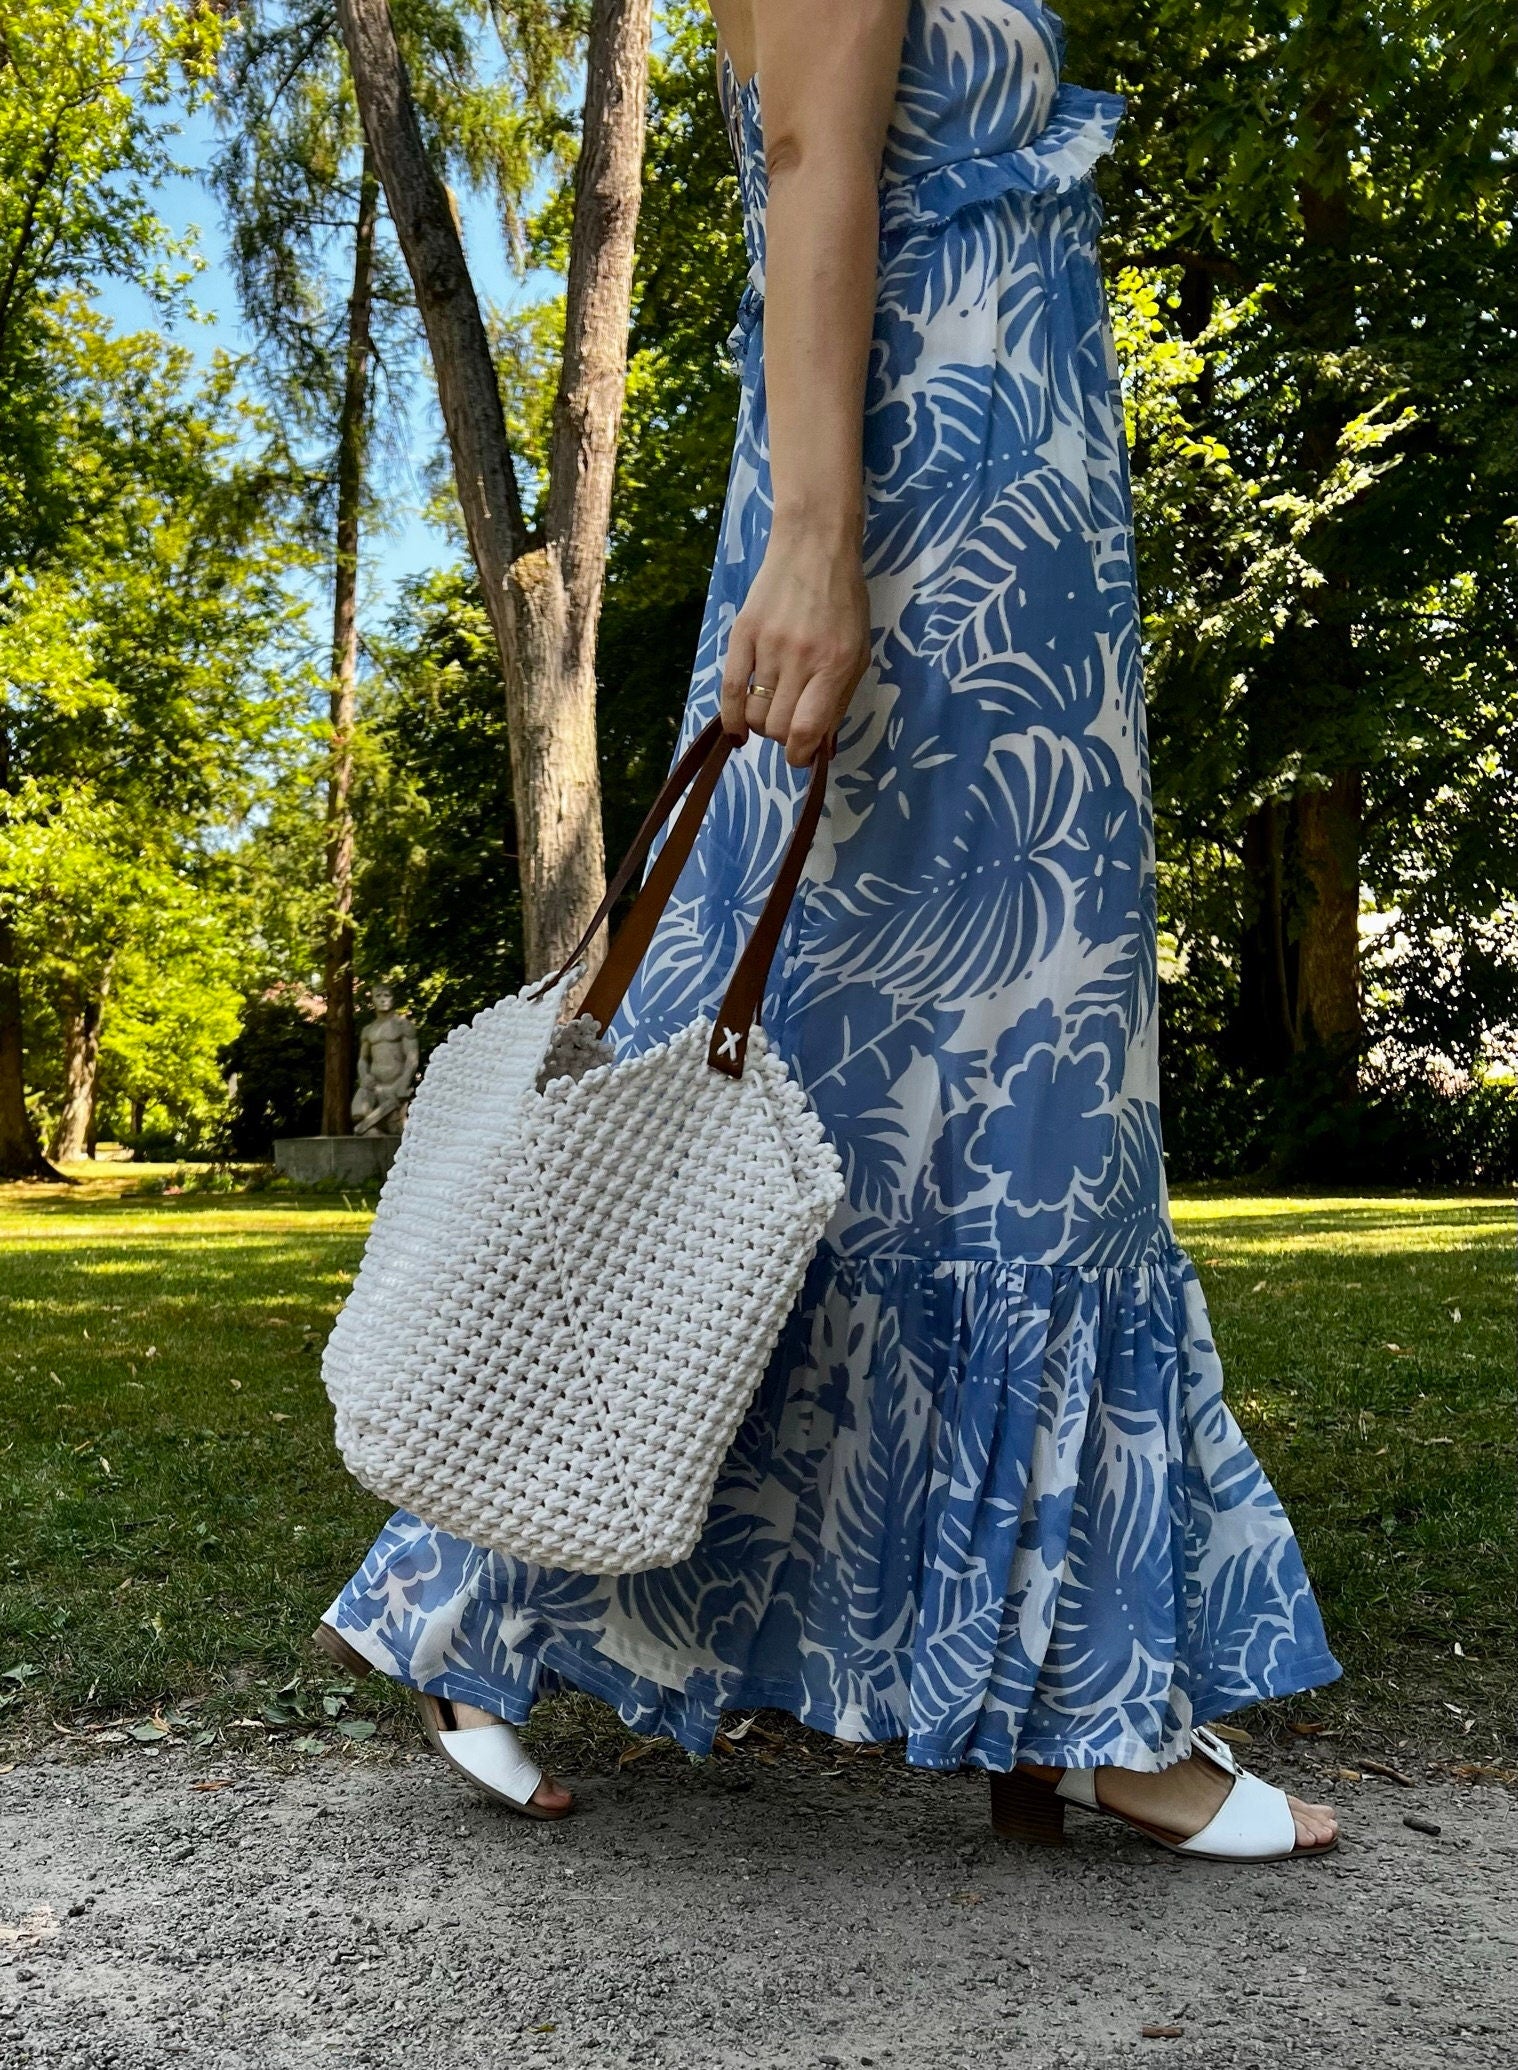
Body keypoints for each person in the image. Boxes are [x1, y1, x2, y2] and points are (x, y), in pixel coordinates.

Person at [316, 0, 1341, 1858]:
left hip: (1013, 547)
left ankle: (1041, 1691)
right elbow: (811, 163)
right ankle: (510, 1600)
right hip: (909, 529)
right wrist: (810, 539)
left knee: (989, 1097)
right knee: (837, 1067)